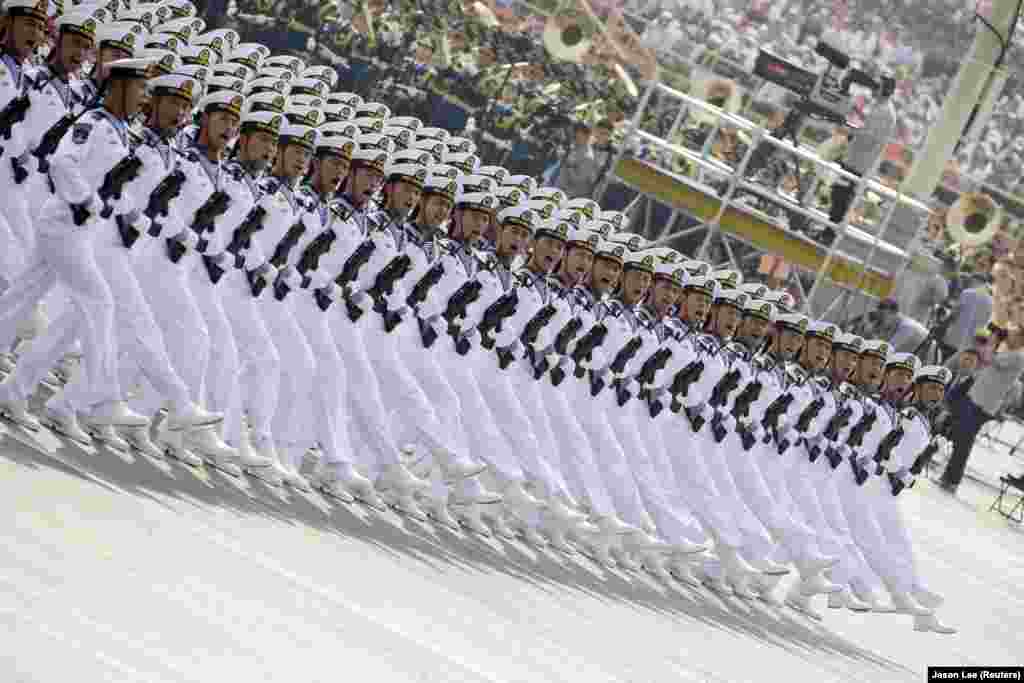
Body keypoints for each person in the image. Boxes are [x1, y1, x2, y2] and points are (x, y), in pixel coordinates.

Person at [939, 321, 1024, 494]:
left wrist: (994, 341)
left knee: (964, 441)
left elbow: (988, 357)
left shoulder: (1017, 356)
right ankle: (949, 476)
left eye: (1015, 333)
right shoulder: (1011, 352)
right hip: (976, 397)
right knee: (961, 437)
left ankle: (952, 479)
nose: (1011, 335)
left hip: (983, 404)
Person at [828, 74, 897, 242]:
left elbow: (868, 138)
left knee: (841, 198)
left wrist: (850, 129)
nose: (873, 88)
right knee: (838, 196)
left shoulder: (885, 112)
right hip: (854, 160)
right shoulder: (880, 107)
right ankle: (829, 231)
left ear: (885, 90)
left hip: (859, 164)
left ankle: (830, 235)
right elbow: (866, 130)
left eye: (877, 86)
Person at [552, 121, 599, 199]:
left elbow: (578, 181)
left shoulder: (588, 157)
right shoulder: (574, 147)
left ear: (587, 136)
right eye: (575, 132)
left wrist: (568, 164)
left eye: (577, 134)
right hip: (557, 187)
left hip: (565, 195)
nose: (574, 136)